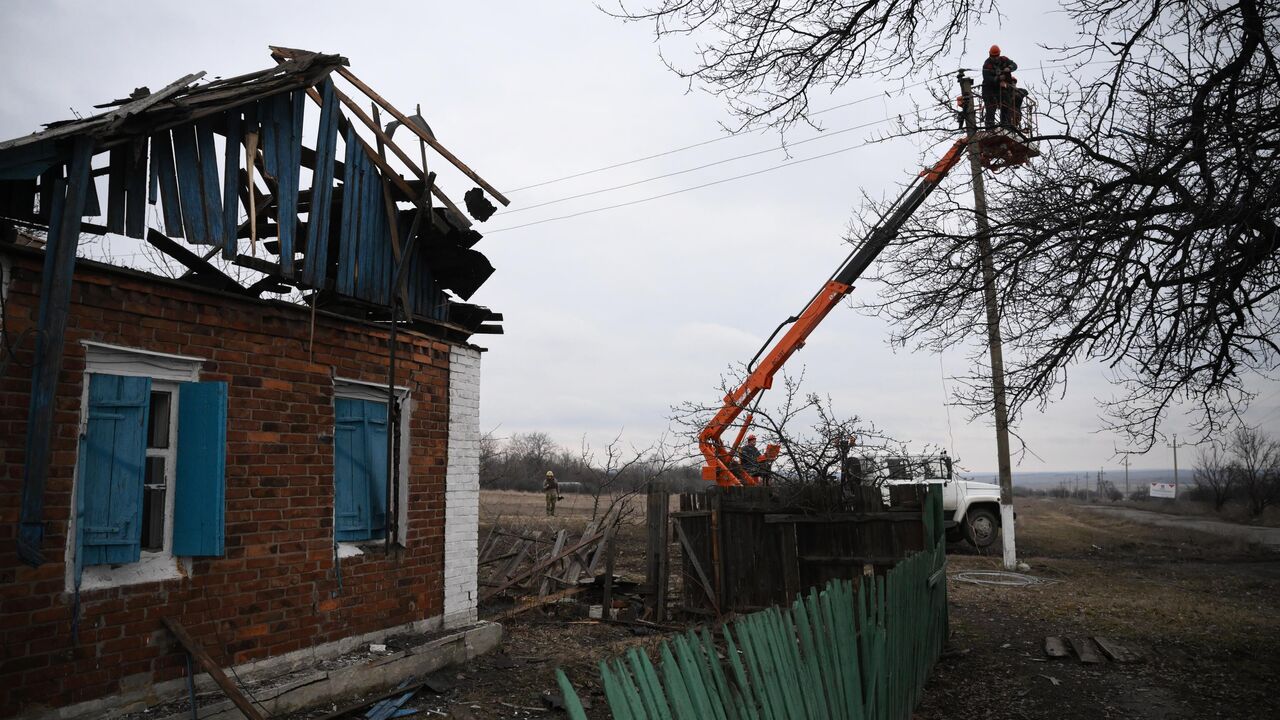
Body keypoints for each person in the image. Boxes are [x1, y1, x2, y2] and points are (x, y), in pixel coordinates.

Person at [981, 45, 1017, 129]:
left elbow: (1014, 65)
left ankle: (1006, 125)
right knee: (991, 107)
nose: (995, 58)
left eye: (996, 56)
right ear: (990, 55)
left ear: (999, 54)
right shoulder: (987, 65)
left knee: (1006, 103)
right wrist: (998, 78)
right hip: (988, 89)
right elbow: (987, 79)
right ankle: (990, 127)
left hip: (1000, 88)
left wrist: (1009, 68)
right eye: (993, 56)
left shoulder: (1004, 59)